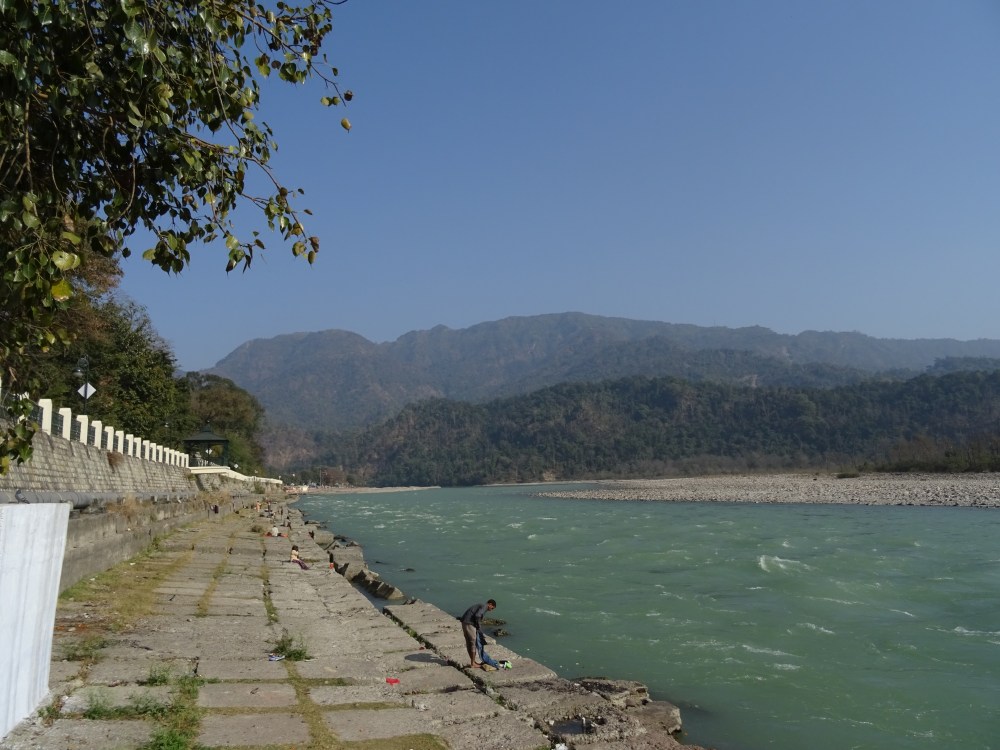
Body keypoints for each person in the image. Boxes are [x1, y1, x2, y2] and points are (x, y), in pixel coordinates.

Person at [460, 599, 496, 669]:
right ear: (490, 604)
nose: (491, 610)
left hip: (464, 622)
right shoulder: (484, 606)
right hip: (469, 623)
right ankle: (473, 663)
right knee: (473, 643)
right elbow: (477, 615)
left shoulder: (480, 605)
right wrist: (478, 626)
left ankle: (473, 662)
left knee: (469, 643)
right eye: (492, 608)